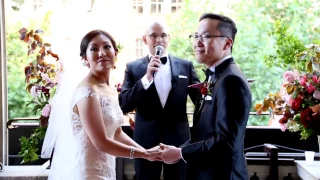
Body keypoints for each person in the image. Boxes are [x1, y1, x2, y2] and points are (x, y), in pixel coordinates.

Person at [42, 29, 161, 180]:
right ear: (85, 58)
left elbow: (117, 133)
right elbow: (101, 143)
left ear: (115, 53)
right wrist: (144, 154)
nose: (102, 53)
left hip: (107, 170)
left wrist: (146, 153)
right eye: (94, 49)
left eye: (106, 47)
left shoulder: (109, 89)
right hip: (88, 173)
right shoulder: (86, 92)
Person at [159, 13, 252, 180]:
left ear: (227, 43)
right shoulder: (215, 76)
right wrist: (176, 150)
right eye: (196, 36)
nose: (197, 42)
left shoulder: (231, 80)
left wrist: (180, 153)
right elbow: (204, 134)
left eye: (206, 36)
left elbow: (225, 143)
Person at [118, 20, 200, 180]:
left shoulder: (186, 66)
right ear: (145, 39)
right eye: (154, 36)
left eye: (163, 35)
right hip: (145, 142)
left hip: (179, 141)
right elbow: (124, 104)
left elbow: (200, 101)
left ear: (169, 38)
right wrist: (146, 79)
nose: (159, 40)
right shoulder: (133, 68)